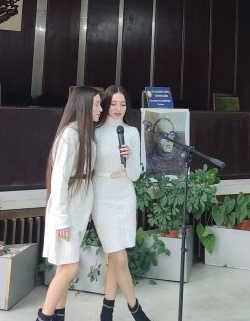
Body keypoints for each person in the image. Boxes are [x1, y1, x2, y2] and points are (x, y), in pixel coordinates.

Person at [37, 86, 102, 321]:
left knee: (64, 267)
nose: (100, 109)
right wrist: (62, 219)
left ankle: (58, 315)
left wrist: (88, 208)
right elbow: (59, 180)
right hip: (67, 210)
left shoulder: (84, 134)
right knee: (70, 268)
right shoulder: (70, 135)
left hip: (78, 207)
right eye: (96, 104)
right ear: (84, 106)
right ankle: (44, 317)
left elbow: (86, 177)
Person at [92, 85, 151, 321]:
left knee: (114, 255)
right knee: (119, 256)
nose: (118, 109)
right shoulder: (95, 132)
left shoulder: (132, 132)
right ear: (106, 104)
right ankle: (135, 308)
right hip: (102, 196)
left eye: (123, 104)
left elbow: (135, 175)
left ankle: (106, 310)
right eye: (114, 104)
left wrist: (129, 158)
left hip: (125, 194)